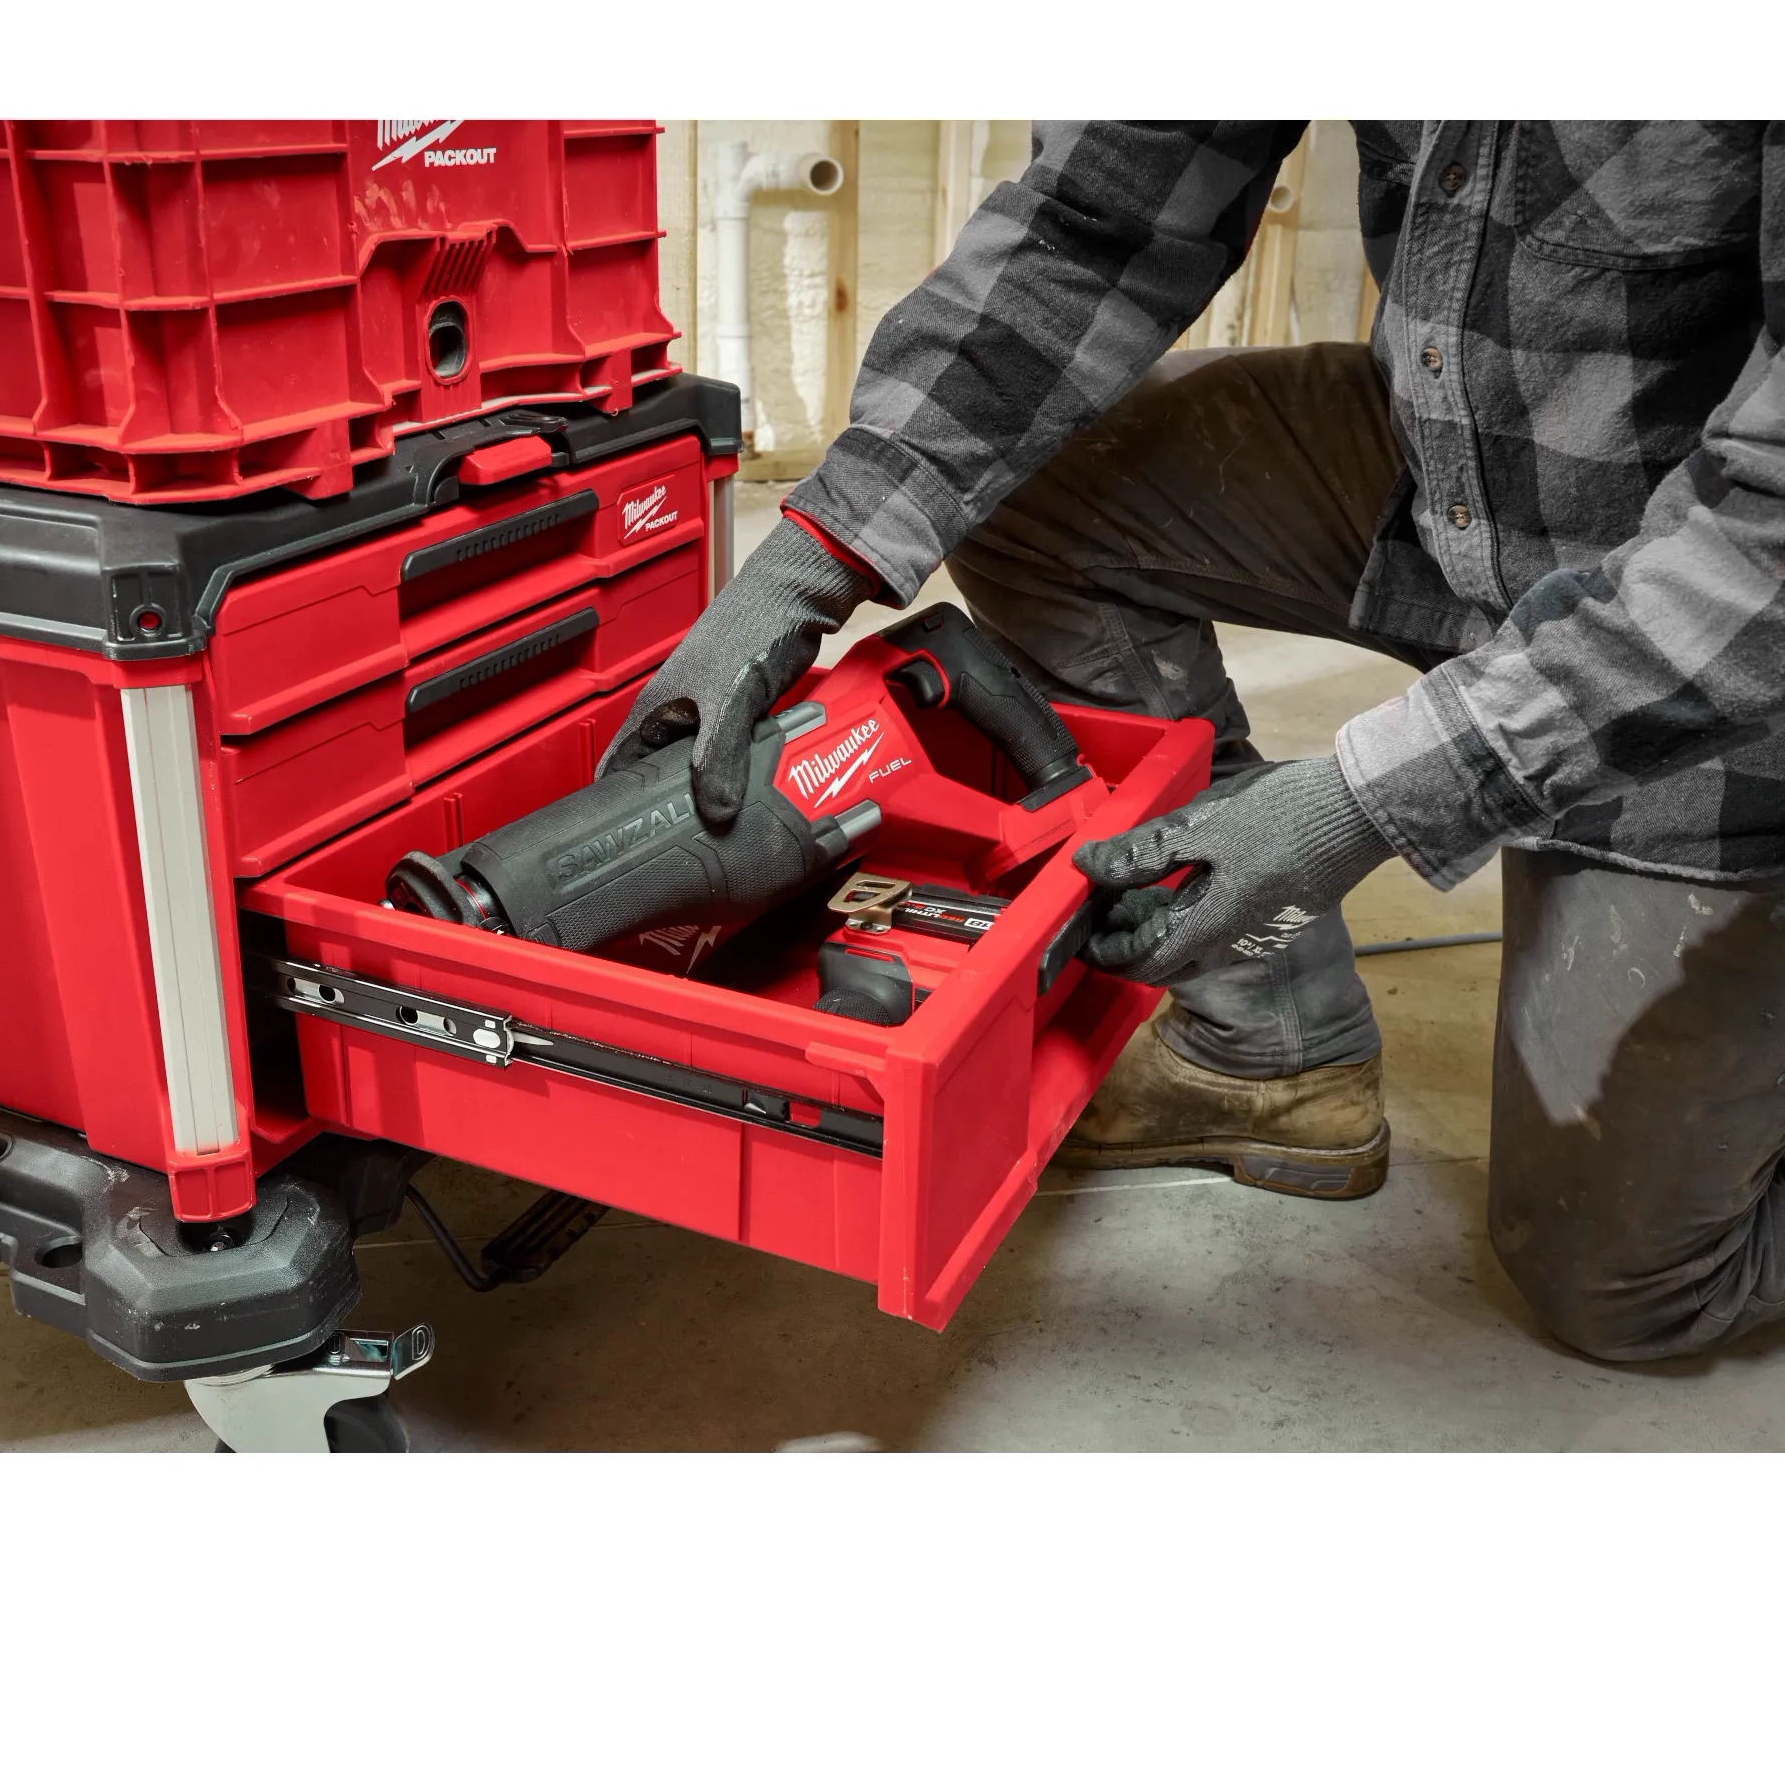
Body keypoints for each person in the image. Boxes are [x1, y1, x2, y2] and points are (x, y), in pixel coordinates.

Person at [603, 123, 1785, 1365]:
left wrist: (1358, 805)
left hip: (1716, 591)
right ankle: (1271, 1048)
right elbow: (1096, 217)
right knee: (1035, 480)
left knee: (1622, 1283)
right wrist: (810, 556)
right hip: (1461, 468)